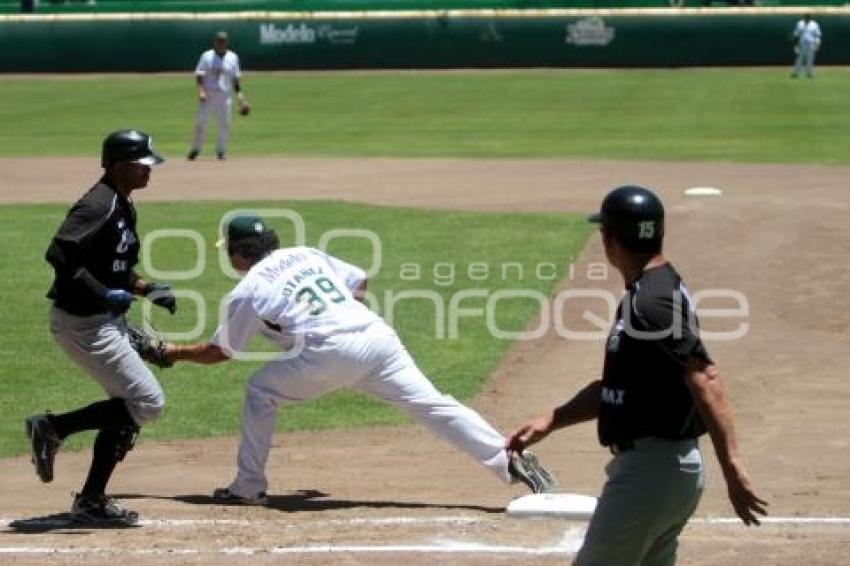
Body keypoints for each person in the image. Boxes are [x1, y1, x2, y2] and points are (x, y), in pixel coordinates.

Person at [146, 215, 555, 504]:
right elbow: (359, 279)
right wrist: (339, 317)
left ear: (238, 254)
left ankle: (248, 486)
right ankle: (507, 459)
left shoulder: (249, 288)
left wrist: (172, 353)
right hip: (376, 338)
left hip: (328, 354)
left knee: (260, 391)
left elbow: (222, 352)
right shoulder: (305, 253)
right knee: (432, 404)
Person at [507, 186, 767, 565]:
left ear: (609, 239)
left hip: (650, 475)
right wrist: (553, 418)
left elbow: (704, 377)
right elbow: (621, 386)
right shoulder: (652, 290)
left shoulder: (651, 303)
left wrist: (732, 467)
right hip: (661, 473)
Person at [25, 129, 176, 527]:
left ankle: (91, 500)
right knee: (147, 402)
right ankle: (53, 427)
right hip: (83, 323)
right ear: (120, 165)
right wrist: (103, 294)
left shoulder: (123, 203)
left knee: (124, 412)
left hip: (99, 320)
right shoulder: (98, 204)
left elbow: (111, 265)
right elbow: (59, 253)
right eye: (143, 165)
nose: (150, 171)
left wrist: (145, 288)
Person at [187, 31, 249, 161]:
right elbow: (199, 75)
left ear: (227, 42)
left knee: (224, 125)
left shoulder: (233, 57)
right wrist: (201, 91)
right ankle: (195, 149)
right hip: (208, 95)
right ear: (215, 42)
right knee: (201, 124)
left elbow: (235, 81)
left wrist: (241, 98)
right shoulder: (206, 56)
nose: (221, 43)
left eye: (223, 41)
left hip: (224, 97)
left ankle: (221, 151)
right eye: (219, 41)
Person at [791, 14, 822, 79]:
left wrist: (817, 44)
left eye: (808, 19)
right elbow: (796, 34)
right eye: (806, 18)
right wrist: (795, 44)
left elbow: (817, 35)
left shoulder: (814, 24)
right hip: (802, 44)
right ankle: (795, 73)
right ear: (804, 18)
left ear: (810, 19)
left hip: (811, 44)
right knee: (799, 59)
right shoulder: (800, 23)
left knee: (810, 59)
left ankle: (809, 73)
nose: (806, 20)